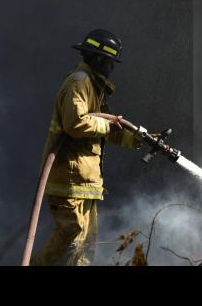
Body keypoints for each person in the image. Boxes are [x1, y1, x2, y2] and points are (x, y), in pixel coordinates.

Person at [31, 29, 141, 266]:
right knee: (71, 234)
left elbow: (108, 129)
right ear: (99, 59)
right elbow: (76, 123)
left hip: (85, 182)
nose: (112, 68)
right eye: (111, 62)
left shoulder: (94, 85)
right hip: (67, 179)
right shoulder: (79, 82)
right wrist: (107, 126)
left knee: (86, 245)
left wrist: (139, 139)